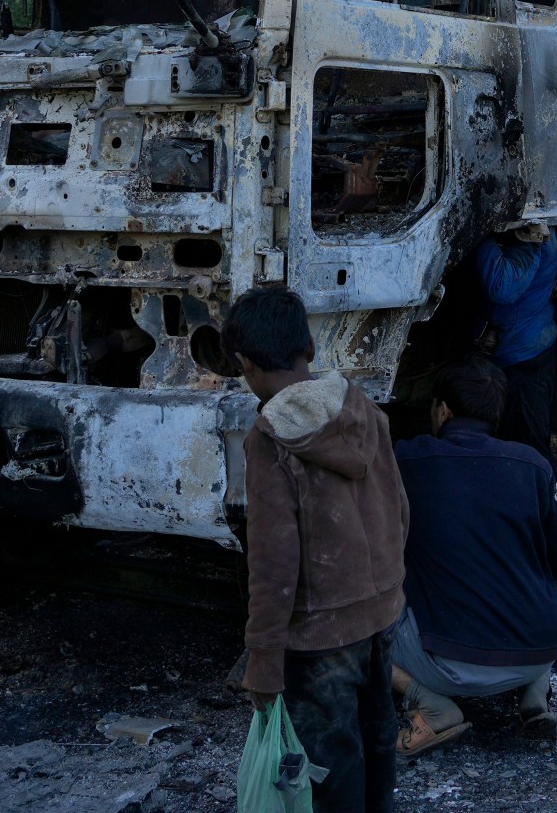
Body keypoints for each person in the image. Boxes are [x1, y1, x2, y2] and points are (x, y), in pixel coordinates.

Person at [229, 288, 409, 813]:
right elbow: (399, 508)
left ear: (244, 364)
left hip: (318, 635)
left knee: (329, 770)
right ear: (307, 345)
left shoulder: (270, 440)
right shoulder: (363, 410)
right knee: (378, 746)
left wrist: (262, 658)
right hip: (380, 617)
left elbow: (272, 560)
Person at [389, 360, 557, 755]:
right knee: (532, 579)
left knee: (355, 632)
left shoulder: (408, 461)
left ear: (442, 410)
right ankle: (534, 697)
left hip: (449, 667)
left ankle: (431, 706)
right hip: (538, 650)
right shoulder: (533, 465)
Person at [472, 223, 557, 462]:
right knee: (512, 441)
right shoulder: (525, 230)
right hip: (520, 348)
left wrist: (479, 233)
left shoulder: (532, 233)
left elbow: (503, 287)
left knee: (528, 446)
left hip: (524, 355)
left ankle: (548, 496)